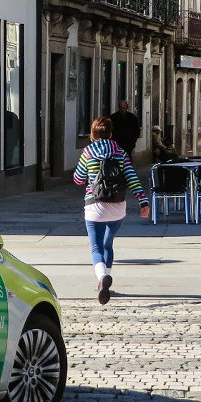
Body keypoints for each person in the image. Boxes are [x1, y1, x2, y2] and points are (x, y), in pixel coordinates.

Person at [73, 116, 149, 305]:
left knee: (96, 246)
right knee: (108, 243)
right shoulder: (120, 152)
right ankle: (105, 279)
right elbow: (131, 178)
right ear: (111, 133)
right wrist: (143, 201)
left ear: (92, 134)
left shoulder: (88, 152)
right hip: (117, 207)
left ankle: (102, 278)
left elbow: (78, 179)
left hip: (94, 206)